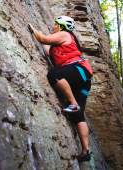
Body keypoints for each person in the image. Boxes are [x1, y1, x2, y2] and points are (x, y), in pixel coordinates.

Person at [28, 16, 93, 162]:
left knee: (54, 74)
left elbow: (42, 39)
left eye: (55, 24)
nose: (53, 26)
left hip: (79, 70)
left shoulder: (65, 34)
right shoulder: (61, 42)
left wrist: (32, 28)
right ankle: (86, 151)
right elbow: (47, 50)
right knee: (78, 115)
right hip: (83, 78)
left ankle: (73, 104)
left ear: (61, 26)